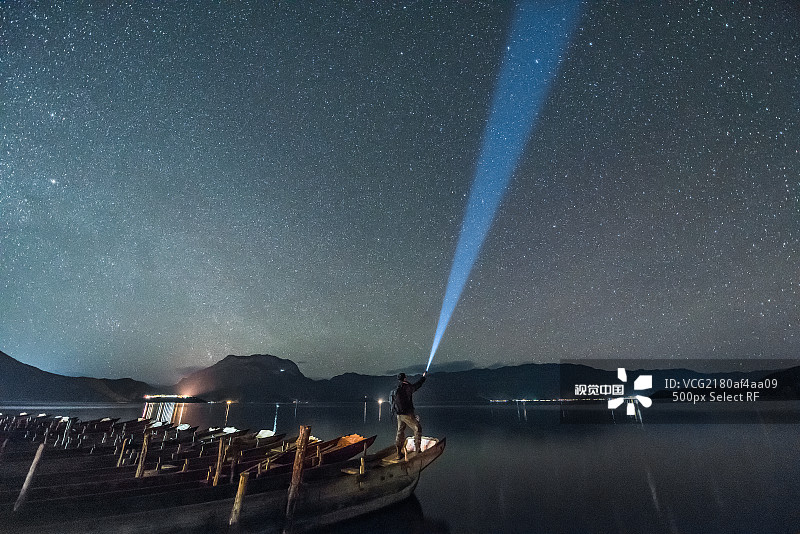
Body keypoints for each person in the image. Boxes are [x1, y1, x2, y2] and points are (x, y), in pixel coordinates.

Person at [393, 370, 427, 458]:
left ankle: (398, 454)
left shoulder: (397, 388)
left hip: (399, 414)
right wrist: (423, 378)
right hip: (407, 414)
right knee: (417, 428)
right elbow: (416, 386)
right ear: (405, 378)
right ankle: (418, 451)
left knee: (400, 432)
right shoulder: (407, 387)